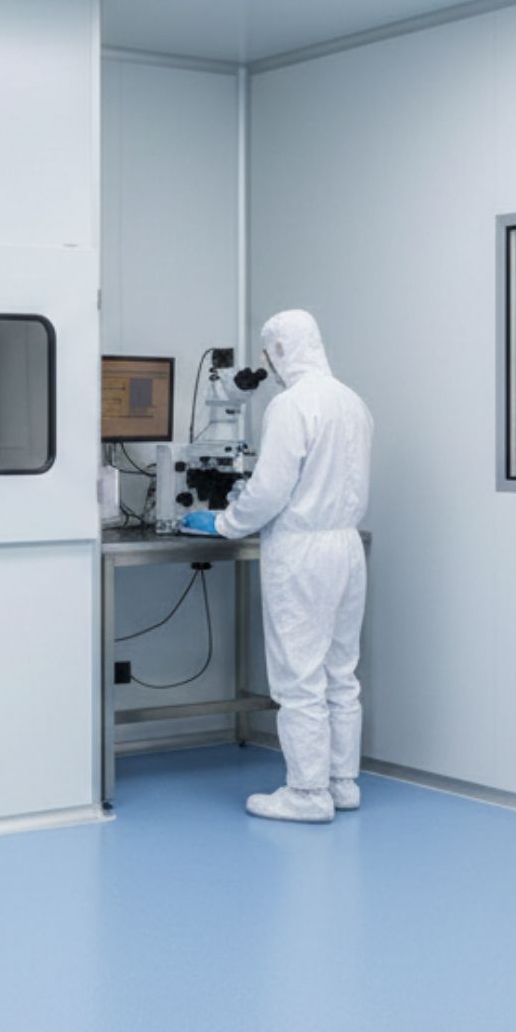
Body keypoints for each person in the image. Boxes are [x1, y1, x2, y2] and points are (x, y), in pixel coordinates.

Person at [181, 309, 372, 823]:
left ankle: (307, 794)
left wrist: (224, 523)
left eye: (269, 355)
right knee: (340, 672)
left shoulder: (291, 406)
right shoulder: (352, 401)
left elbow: (268, 492)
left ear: (281, 350)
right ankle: (341, 782)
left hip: (303, 551)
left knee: (299, 676)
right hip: (347, 547)